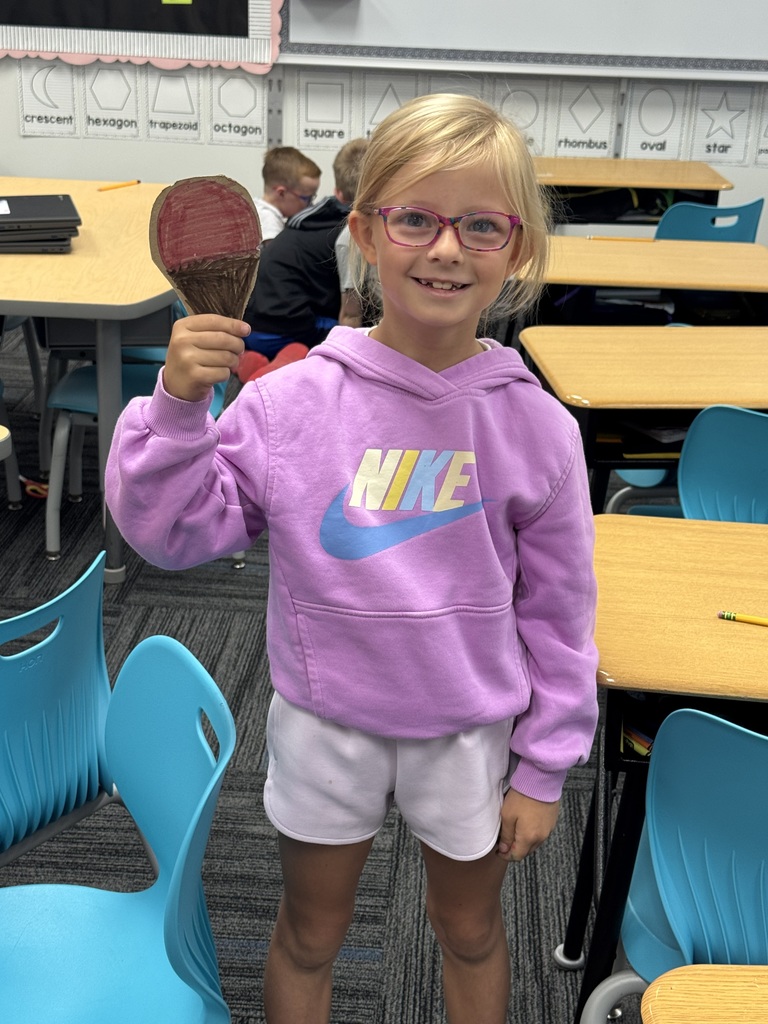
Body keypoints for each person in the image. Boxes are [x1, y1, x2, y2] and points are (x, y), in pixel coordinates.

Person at [105, 93, 599, 1024]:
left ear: (519, 249)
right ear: (367, 233)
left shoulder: (536, 426)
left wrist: (544, 767)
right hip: (327, 722)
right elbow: (173, 535)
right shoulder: (292, 404)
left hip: (468, 732)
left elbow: (561, 616)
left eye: (481, 226)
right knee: (308, 935)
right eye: (416, 219)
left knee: (471, 933)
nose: (446, 249)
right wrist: (174, 411)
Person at [237, 137, 369, 382]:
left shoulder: (306, 218)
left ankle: (256, 362)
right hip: (283, 329)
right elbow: (351, 315)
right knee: (358, 333)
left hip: (249, 325)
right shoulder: (346, 234)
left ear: (337, 193)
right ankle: (286, 369)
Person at [254, 146, 322, 243]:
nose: (310, 204)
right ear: (281, 193)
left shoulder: (258, 210)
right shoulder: (269, 222)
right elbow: (277, 256)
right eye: (307, 198)